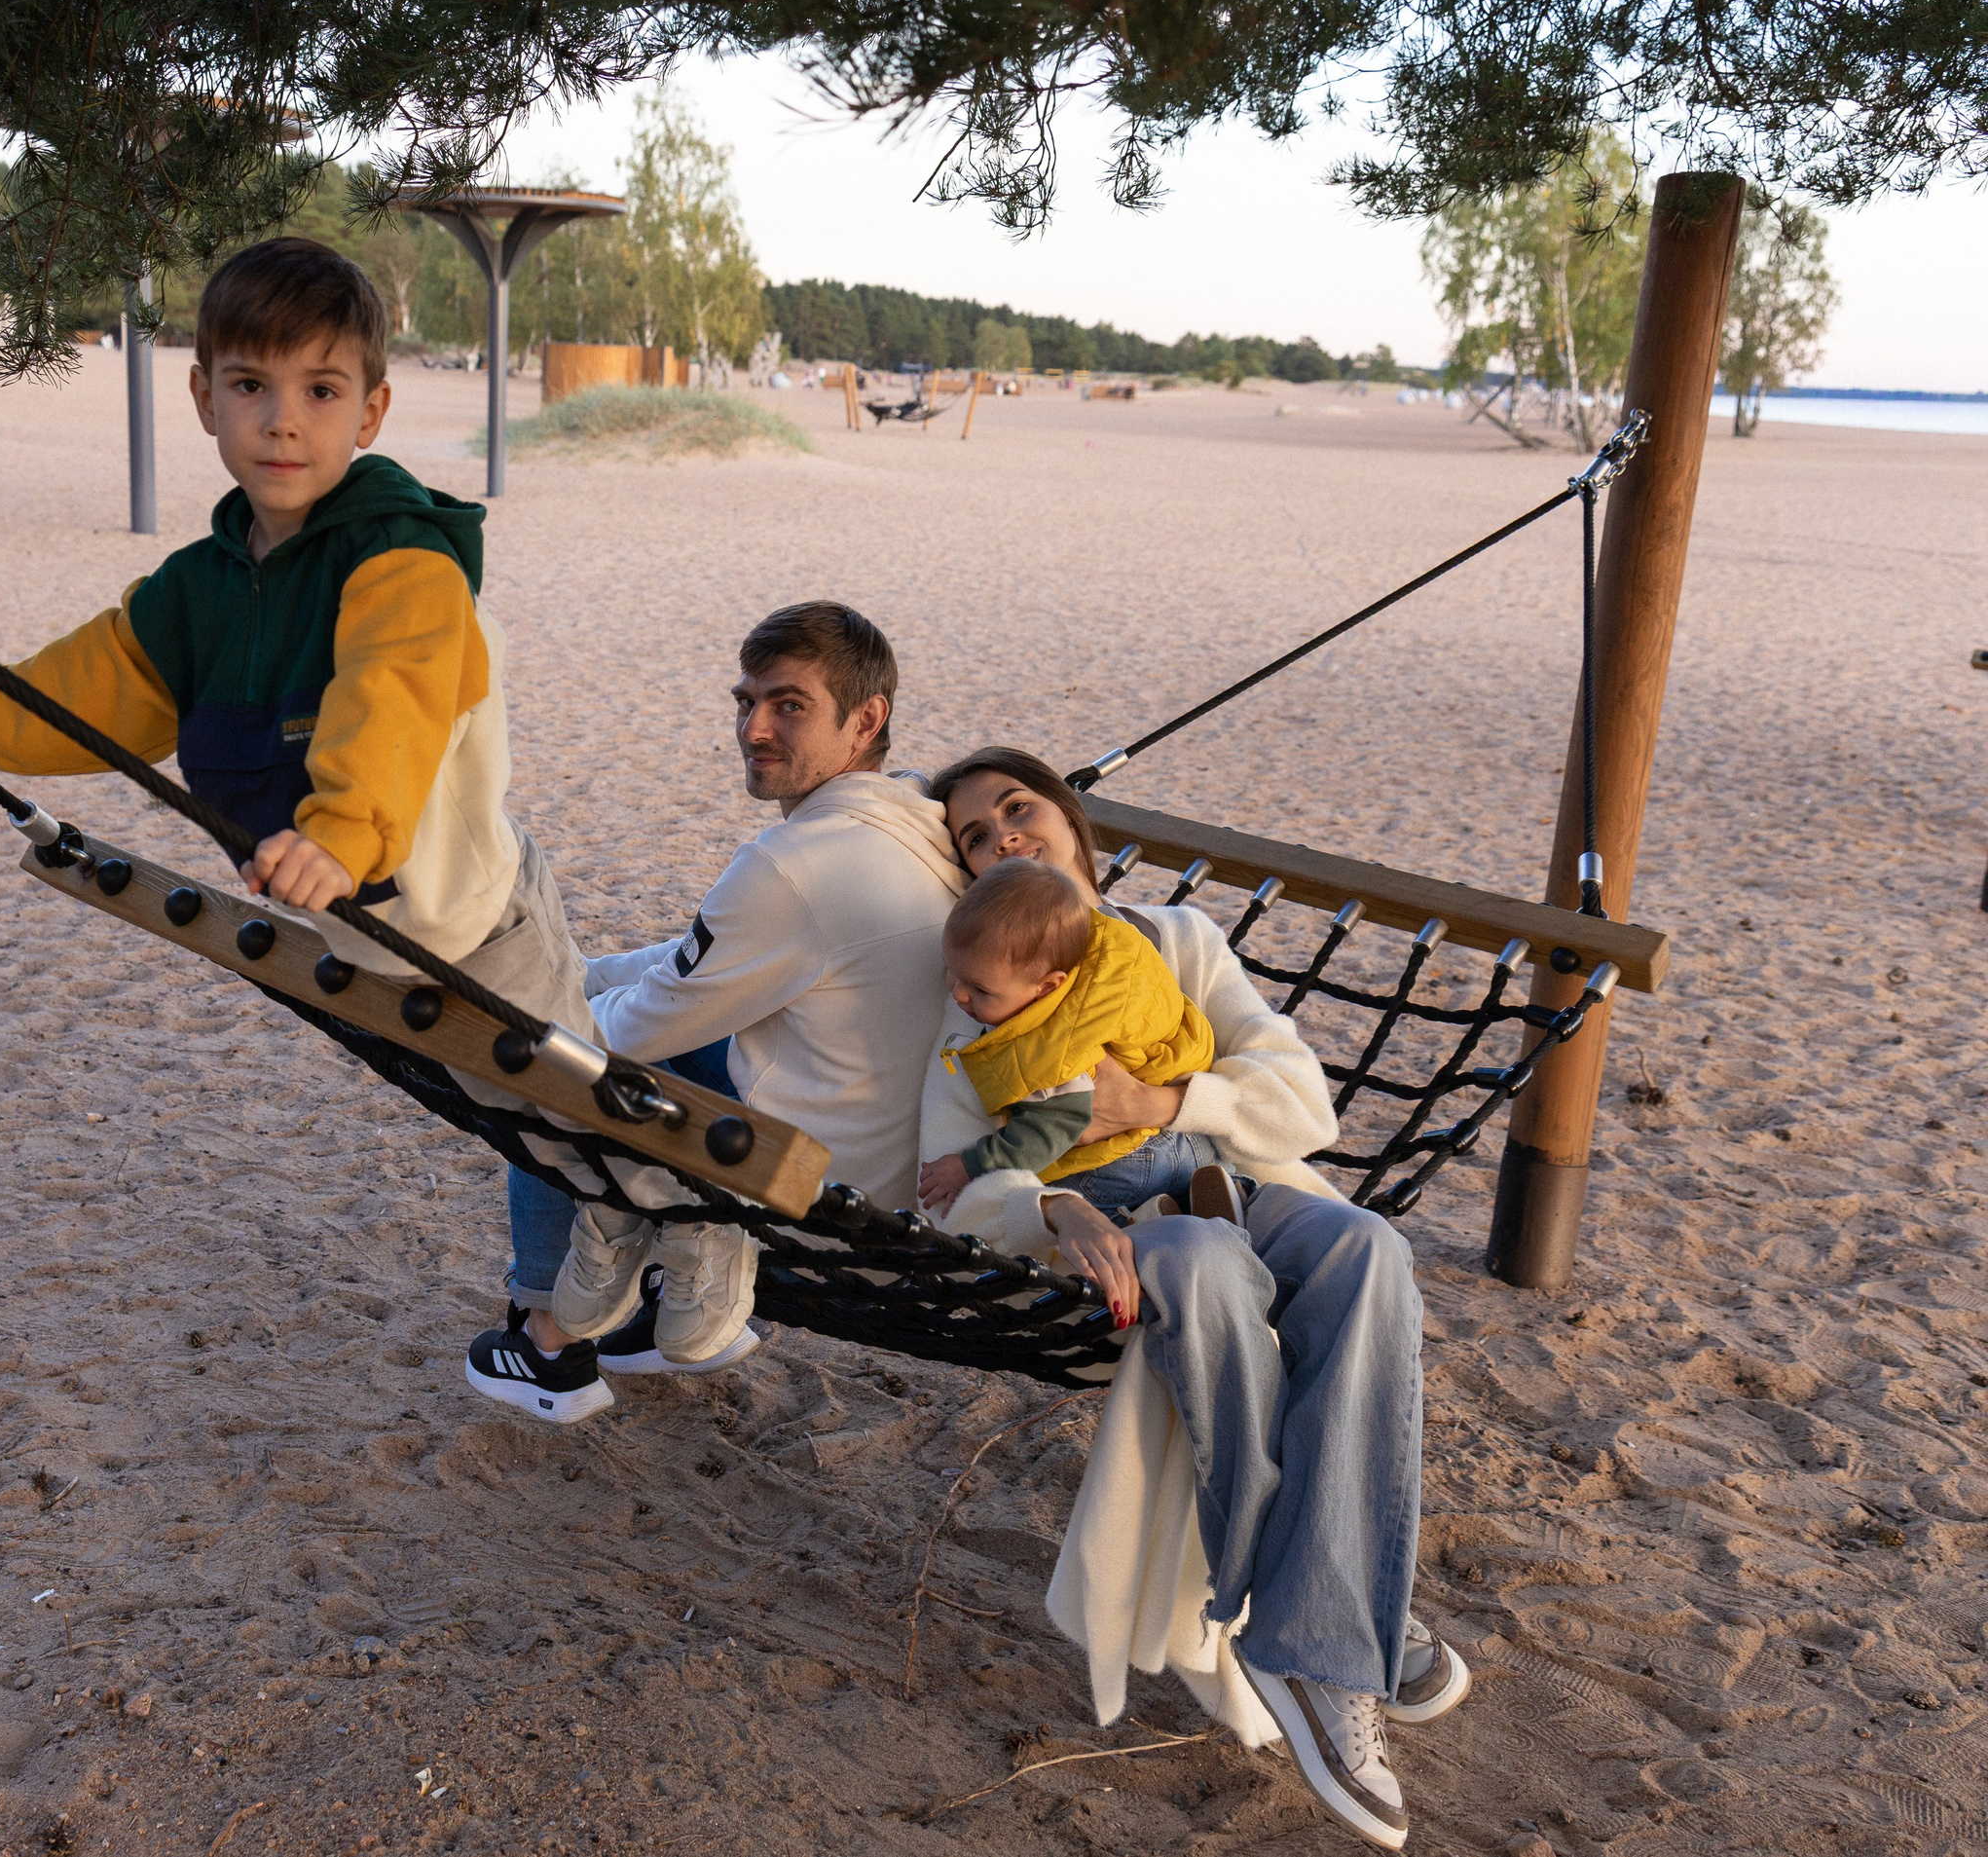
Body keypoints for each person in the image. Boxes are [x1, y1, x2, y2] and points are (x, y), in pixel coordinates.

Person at [0, 237, 644, 1422]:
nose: (284, 424)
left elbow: (386, 700)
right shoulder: (204, 582)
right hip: (369, 937)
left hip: (472, 912)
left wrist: (341, 831)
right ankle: (605, 1296)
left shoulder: (404, 562)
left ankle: (635, 1297)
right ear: (204, 396)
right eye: (252, 386)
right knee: (520, 1118)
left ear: (371, 410)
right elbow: (103, 688)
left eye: (321, 392)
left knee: (567, 1112)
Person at [921, 746, 1470, 1853]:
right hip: (1126, 1230)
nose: (1003, 838)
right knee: (1211, 1270)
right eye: (974, 836)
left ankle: (1311, 1615)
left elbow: (1301, 1098)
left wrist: (1165, 1093)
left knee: (1369, 1249)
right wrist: (1055, 1213)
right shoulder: (983, 987)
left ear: (1072, 824)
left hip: (1235, 1175)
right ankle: (1326, 1643)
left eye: (1017, 810)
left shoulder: (1174, 941)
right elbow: (954, 1182)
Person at [470, 603, 965, 1395]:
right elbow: (703, 962)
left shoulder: (794, 864)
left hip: (833, 1198)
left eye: (789, 705)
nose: (755, 728)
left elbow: (620, 1035)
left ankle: (546, 1340)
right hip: (893, 1148)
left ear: (866, 719)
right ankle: (660, 1289)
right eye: (746, 701)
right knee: (609, 1023)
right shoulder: (915, 816)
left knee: (552, 1065)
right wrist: (586, 967)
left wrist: (524, 1021)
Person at [916, 856, 1214, 1228]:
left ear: (1048, 986)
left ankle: (1150, 1223)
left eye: (979, 989)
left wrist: (970, 1166)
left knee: (1053, 1211)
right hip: (1193, 1141)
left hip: (1126, 1164)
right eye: (952, 972)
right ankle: (1229, 1192)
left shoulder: (1053, 1046)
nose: (959, 995)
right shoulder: (1113, 952)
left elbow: (1049, 1129)